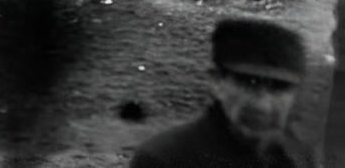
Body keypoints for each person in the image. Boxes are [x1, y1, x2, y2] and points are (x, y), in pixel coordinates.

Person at [129, 18, 314, 167]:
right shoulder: (164, 159)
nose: (261, 103)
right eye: (249, 83)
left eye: (278, 87)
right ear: (217, 81)